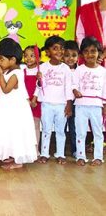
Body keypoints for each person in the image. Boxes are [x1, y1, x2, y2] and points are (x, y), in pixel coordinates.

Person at [0, 38, 37, 170]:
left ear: (13, 60)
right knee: (8, 132)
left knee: (16, 133)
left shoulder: (16, 73)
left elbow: (6, 89)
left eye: (1, 59)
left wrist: (0, 76)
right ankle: (11, 154)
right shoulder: (10, 70)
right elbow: (6, 84)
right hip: (7, 108)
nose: (0, 62)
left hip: (15, 110)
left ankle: (18, 159)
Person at [76, 0, 106, 150]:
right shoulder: (87, 9)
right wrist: (89, 53)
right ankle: (93, 138)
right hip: (91, 59)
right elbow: (80, 33)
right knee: (90, 96)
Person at [36, 36, 73, 165]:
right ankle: (44, 153)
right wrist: (39, 80)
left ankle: (60, 154)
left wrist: (69, 104)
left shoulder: (66, 69)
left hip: (61, 105)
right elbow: (41, 87)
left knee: (60, 131)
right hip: (46, 104)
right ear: (47, 52)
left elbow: (68, 88)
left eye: (61, 48)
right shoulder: (43, 67)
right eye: (55, 48)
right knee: (46, 129)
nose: (59, 51)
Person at [72, 37, 106, 166]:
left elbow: (104, 89)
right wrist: (75, 90)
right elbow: (73, 84)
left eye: (93, 51)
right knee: (80, 131)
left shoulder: (103, 71)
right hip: (81, 106)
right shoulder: (79, 69)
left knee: (97, 132)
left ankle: (98, 157)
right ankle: (80, 156)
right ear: (82, 55)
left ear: (99, 53)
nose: (90, 54)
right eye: (86, 51)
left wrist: (104, 105)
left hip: (96, 106)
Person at [76, 0, 106, 65]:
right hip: (90, 59)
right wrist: (90, 52)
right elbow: (79, 34)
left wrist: (103, 54)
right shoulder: (86, 10)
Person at [23, 45, 42, 156]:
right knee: (24, 126)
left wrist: (34, 99)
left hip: (36, 103)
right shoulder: (22, 71)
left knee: (35, 126)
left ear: (38, 58)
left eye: (32, 56)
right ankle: (25, 149)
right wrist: (27, 100)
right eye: (26, 56)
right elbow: (22, 88)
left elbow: (39, 86)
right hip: (25, 102)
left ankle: (35, 150)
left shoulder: (39, 71)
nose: (28, 58)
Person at [63, 40, 79, 158]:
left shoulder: (80, 70)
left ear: (78, 56)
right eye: (67, 55)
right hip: (62, 101)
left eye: (74, 55)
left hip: (75, 103)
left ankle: (75, 149)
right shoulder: (60, 69)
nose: (70, 58)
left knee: (74, 126)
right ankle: (60, 150)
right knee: (61, 127)